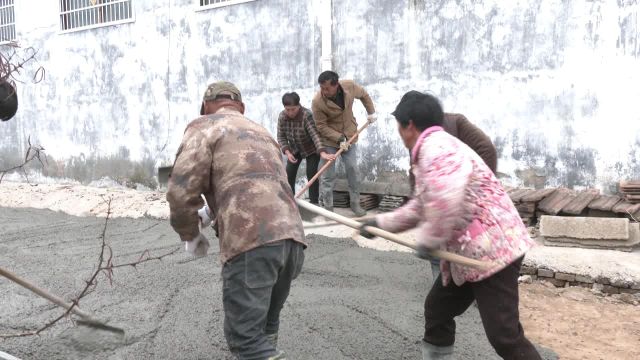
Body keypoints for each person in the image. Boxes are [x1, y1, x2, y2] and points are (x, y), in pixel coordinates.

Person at [359, 91, 541, 359]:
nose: (398, 132)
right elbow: (421, 206)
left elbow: (445, 198)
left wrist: (429, 239)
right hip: (468, 254)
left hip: (494, 250)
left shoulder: (437, 147)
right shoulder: (430, 149)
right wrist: (379, 223)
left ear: (409, 125)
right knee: (438, 309)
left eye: (398, 125)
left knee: (504, 336)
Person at [167, 81, 306, 360]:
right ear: (240, 107)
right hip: (292, 239)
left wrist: (190, 235)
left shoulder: (205, 126)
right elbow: (252, 185)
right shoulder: (262, 132)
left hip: (251, 242)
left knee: (247, 341)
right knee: (265, 326)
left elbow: (180, 191)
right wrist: (211, 213)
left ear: (206, 106)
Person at [401, 91, 498, 282]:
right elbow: (416, 170)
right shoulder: (416, 135)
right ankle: (444, 286)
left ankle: (476, 286)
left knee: (473, 244)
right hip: (438, 202)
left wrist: (475, 188)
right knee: (440, 248)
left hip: (466, 202)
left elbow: (486, 149)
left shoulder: (456, 123)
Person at [311, 70, 377, 216]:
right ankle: (328, 209)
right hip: (330, 140)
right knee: (327, 174)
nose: (324, 91)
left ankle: (355, 204)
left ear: (336, 85)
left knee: (352, 169)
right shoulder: (317, 102)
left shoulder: (349, 86)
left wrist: (371, 112)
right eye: (322, 88)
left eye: (327, 88)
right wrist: (339, 138)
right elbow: (321, 126)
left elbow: (364, 95)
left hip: (350, 135)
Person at [276, 92, 335, 204]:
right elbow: (281, 136)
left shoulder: (306, 115)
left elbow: (315, 135)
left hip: (311, 149)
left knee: (311, 174)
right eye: (287, 109)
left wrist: (322, 152)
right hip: (294, 149)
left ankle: (314, 203)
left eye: (293, 109)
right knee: (289, 173)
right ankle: (291, 202)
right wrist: (288, 152)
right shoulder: (282, 116)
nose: (290, 112)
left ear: (299, 106)